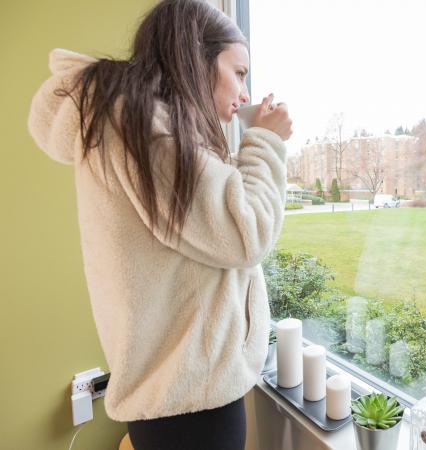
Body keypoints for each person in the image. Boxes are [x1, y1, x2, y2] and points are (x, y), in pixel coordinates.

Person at [27, 1, 292, 448]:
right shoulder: (151, 134)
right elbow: (245, 231)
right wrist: (265, 140)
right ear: (195, 57)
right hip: (189, 407)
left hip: (179, 400)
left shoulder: (140, 125)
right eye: (239, 72)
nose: (244, 93)